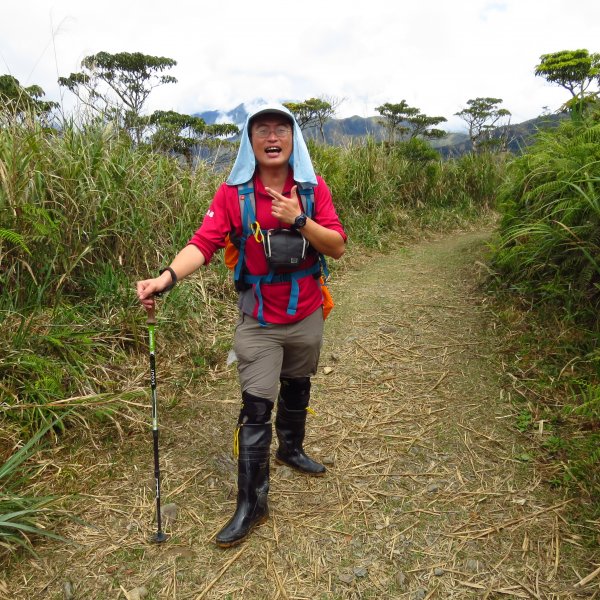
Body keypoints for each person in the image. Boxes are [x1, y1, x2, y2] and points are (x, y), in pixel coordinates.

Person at [136, 103, 346, 547]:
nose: (272, 137)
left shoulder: (311, 189)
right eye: (262, 130)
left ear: (293, 140)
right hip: (259, 319)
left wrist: (298, 219)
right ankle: (252, 503)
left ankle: (291, 449)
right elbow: (203, 242)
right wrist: (166, 278)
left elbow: (338, 246)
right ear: (250, 142)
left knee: (298, 383)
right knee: (255, 409)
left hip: (307, 310)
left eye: (281, 129)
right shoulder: (234, 194)